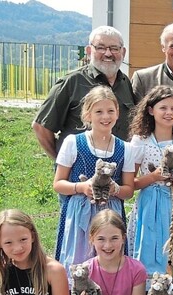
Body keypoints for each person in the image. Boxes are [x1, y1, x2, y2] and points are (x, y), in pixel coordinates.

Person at [52, 86, 135, 271]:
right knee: (77, 262)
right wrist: (81, 187)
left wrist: (116, 189)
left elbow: (129, 190)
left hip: (110, 214)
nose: (105, 116)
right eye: (99, 111)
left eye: (110, 111)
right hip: (79, 212)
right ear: (88, 114)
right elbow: (58, 183)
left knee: (110, 262)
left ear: (117, 113)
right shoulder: (74, 142)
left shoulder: (125, 148)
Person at [33, 26, 135, 159]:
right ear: (88, 50)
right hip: (79, 173)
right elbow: (41, 127)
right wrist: (61, 161)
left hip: (119, 169)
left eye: (114, 48)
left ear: (123, 52)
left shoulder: (124, 82)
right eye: (101, 47)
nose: (108, 53)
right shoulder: (71, 82)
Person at [127, 85, 173, 276]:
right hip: (150, 204)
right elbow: (130, 183)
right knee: (149, 249)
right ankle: (147, 293)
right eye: (163, 108)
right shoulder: (140, 141)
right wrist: (153, 177)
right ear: (151, 110)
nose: (169, 113)